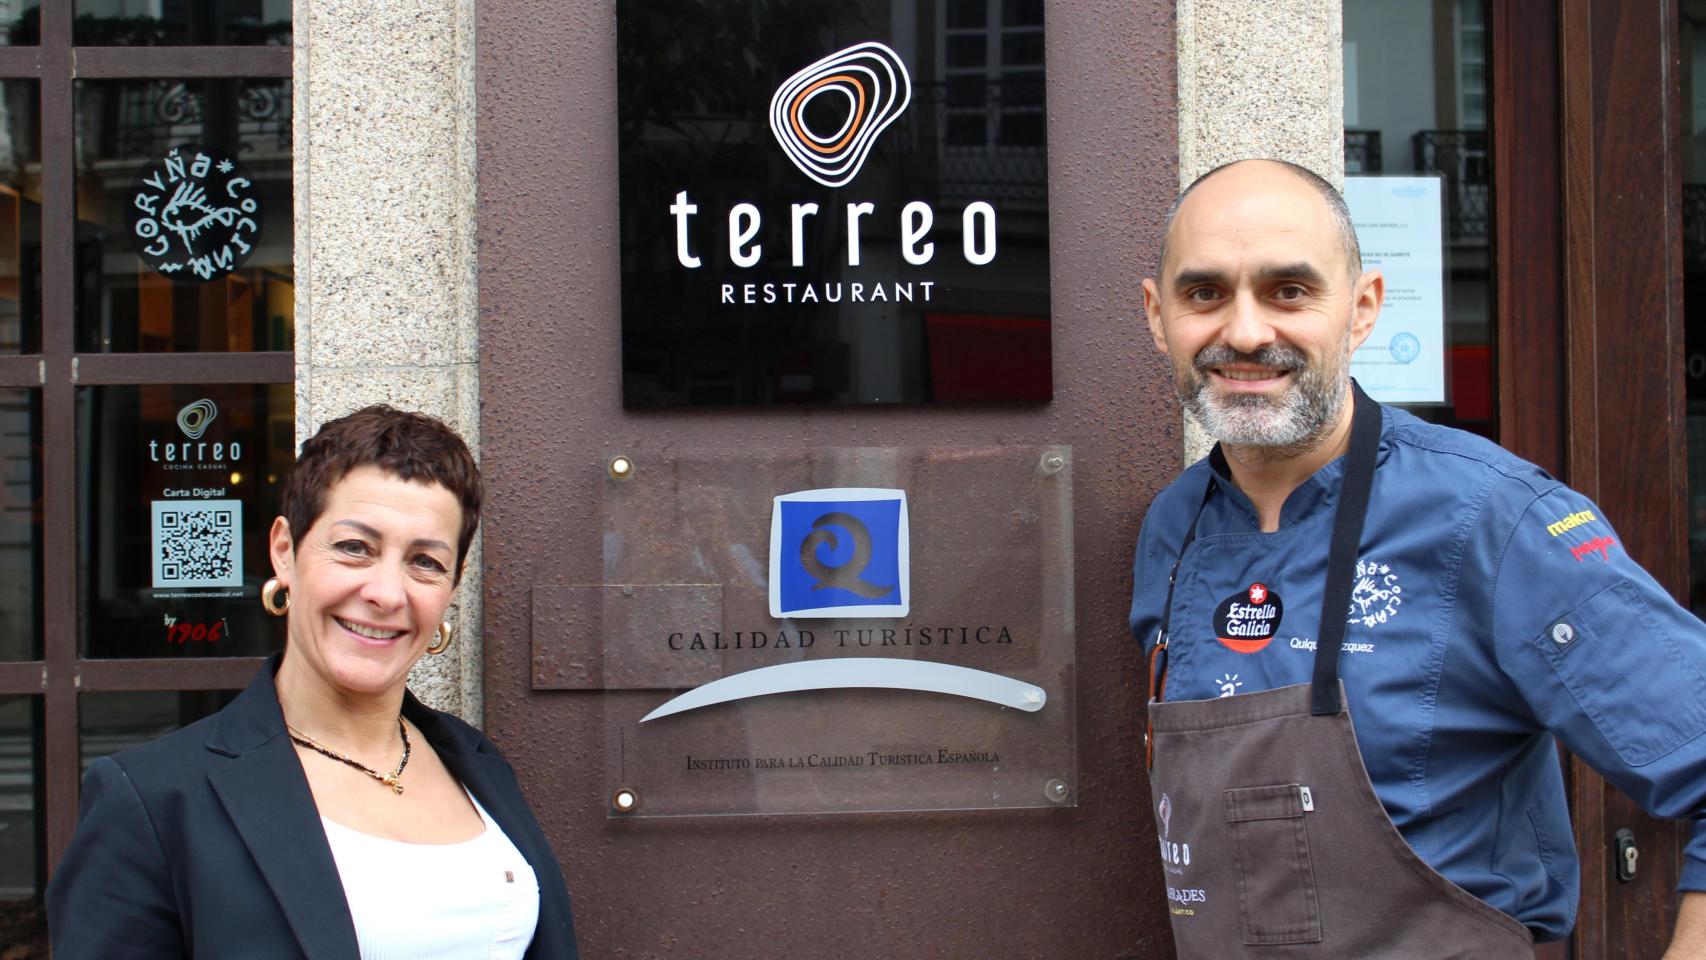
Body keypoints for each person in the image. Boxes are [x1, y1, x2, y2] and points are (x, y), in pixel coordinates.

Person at [1129, 159, 1706, 958]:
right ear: (1159, 317)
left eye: (1289, 291)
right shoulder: (1173, 528)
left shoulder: (1494, 520)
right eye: (1206, 294)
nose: (1247, 331)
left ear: (1361, 309)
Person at [46, 405, 581, 959]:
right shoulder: (154, 800)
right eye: (355, 548)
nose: (387, 594)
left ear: (452, 585)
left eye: (424, 561)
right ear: (285, 552)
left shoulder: (476, 762)